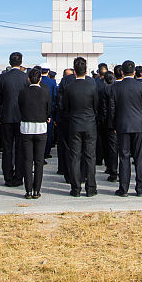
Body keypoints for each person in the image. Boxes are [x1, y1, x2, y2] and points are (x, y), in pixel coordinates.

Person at [58, 57, 99, 197]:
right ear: (86, 71)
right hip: (89, 124)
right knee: (90, 157)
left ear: (74, 71)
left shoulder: (69, 88)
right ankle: (91, 188)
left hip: (74, 124)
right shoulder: (92, 86)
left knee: (75, 157)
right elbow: (96, 106)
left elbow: (66, 107)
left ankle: (75, 188)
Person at [108, 59, 142, 196]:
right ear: (134, 72)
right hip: (138, 125)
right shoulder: (141, 87)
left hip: (122, 125)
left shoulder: (115, 87)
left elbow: (112, 109)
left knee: (124, 157)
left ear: (122, 72)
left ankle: (123, 188)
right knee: (139, 157)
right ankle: (141, 189)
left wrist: (113, 125)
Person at [0, 54, 28, 188]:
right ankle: (19, 177)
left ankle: (8, 177)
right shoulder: (25, 78)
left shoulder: (3, 78)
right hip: (21, 117)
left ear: (9, 62)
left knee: (7, 148)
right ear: (21, 62)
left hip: (7, 117)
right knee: (20, 148)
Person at [18, 66, 51, 199]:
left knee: (27, 160)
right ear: (40, 79)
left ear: (29, 79)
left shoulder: (23, 92)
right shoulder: (45, 92)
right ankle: (37, 190)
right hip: (41, 128)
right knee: (39, 160)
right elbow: (48, 109)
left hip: (26, 127)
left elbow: (20, 107)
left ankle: (28, 190)